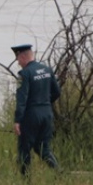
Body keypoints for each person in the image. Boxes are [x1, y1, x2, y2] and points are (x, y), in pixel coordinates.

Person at [11, 43, 60, 175]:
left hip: (31, 115)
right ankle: (58, 173)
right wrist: (44, 103)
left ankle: (26, 182)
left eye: (17, 58)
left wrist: (17, 120)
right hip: (47, 113)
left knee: (24, 149)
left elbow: (22, 99)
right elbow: (57, 92)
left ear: (22, 56)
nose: (18, 62)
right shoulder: (47, 70)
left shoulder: (24, 74)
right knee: (43, 148)